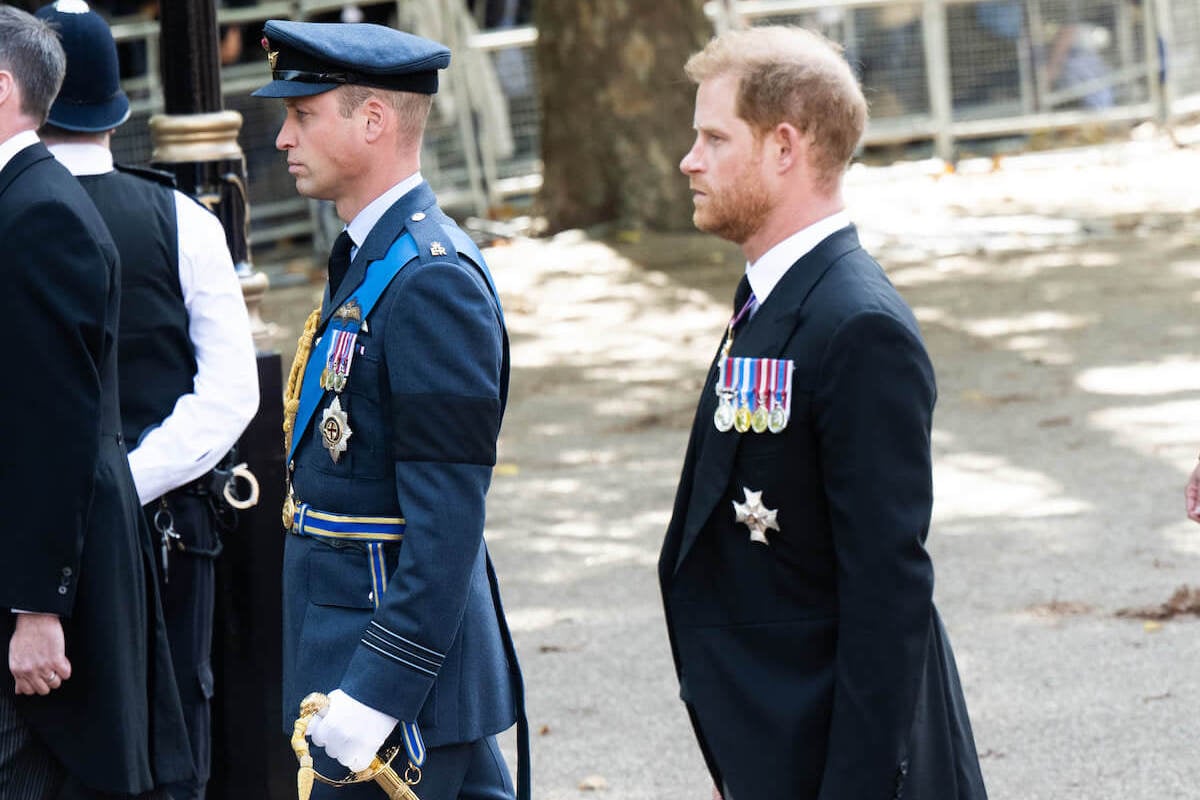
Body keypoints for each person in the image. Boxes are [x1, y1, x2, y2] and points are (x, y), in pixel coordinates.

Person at [658, 26, 989, 800]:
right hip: (779, 734)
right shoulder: (777, 297)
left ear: (784, 147)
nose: (689, 160)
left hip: (845, 759)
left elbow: (888, 591)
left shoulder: (855, 324)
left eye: (713, 136)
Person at [252, 19, 527, 800]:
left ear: (373, 122)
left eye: (303, 115)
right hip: (359, 665)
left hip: (399, 697)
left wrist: (374, 695)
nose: (282, 139)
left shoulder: (430, 278)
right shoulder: (373, 257)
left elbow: (446, 526)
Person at [35, 3, 261, 798]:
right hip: (165, 524)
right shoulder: (185, 220)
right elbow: (231, 392)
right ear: (114, 104)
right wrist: (133, 481)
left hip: (33, 538)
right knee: (172, 739)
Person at [0, 5, 192, 798]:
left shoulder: (39, 213)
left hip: (47, 590)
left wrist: (36, 611)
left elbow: (56, 425)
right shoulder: (22, 201)